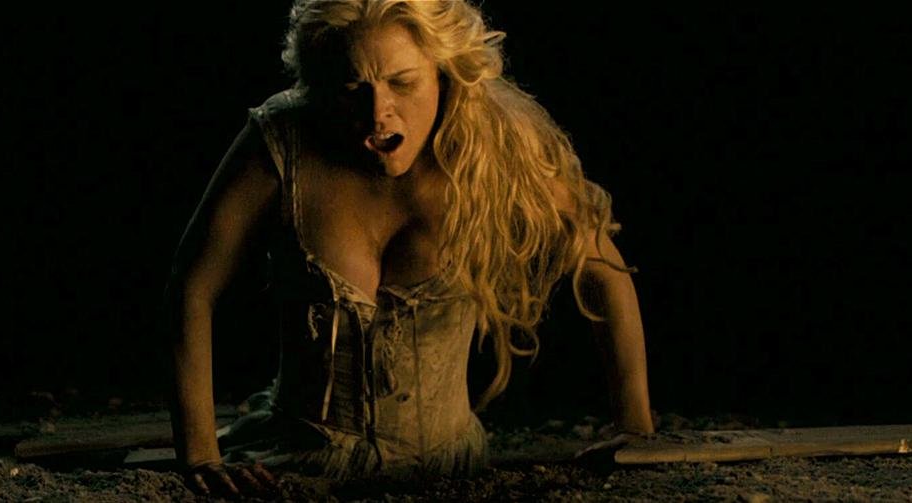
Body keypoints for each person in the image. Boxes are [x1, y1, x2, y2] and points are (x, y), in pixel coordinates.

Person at [164, 0, 653, 496]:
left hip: (449, 470)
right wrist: (200, 454)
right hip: (293, 460)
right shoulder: (283, 140)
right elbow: (193, 287)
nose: (378, 112)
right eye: (352, 87)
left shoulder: (496, 142)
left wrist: (635, 428)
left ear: (442, 71)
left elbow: (602, 267)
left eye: (402, 82)